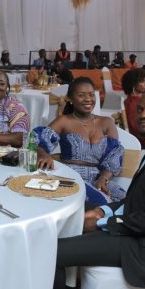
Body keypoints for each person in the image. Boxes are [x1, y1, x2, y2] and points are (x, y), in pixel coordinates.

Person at [53, 88, 145, 289]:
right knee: (75, 210)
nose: (143, 115)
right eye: (140, 109)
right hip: (138, 233)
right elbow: (139, 200)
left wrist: (103, 223)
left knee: (53, 251)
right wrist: (103, 211)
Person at [35, 77, 125, 206]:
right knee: (102, 203)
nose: (88, 99)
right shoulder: (64, 121)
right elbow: (39, 140)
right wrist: (43, 154)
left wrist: (103, 179)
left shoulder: (107, 122)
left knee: (127, 202)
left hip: (98, 177)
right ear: (70, 99)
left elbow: (114, 155)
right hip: (69, 177)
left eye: (91, 94)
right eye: (81, 95)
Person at [121, 68, 145, 148]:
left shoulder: (134, 100)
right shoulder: (134, 103)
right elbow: (136, 128)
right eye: (142, 81)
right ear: (133, 84)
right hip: (143, 142)